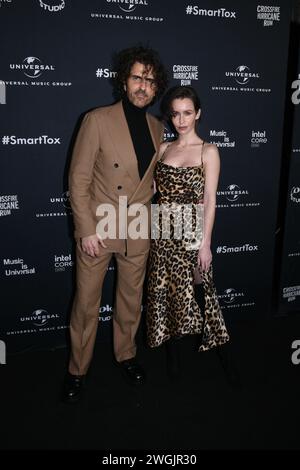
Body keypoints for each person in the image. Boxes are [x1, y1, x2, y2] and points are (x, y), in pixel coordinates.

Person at [63, 46, 168, 403]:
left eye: (150, 80)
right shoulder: (97, 120)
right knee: (86, 303)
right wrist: (85, 228)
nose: (143, 85)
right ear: (124, 81)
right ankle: (77, 369)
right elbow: (77, 179)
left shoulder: (157, 127)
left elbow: (150, 178)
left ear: (156, 88)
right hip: (101, 226)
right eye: (138, 77)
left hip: (137, 227)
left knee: (129, 300)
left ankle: (126, 355)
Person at [147, 86, 230, 378]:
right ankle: (172, 354)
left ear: (197, 114)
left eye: (187, 113)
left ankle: (222, 351)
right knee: (166, 290)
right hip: (162, 229)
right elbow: (152, 191)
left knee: (202, 290)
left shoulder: (209, 150)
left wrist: (206, 244)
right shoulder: (163, 149)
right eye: (174, 114)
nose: (180, 120)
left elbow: (210, 199)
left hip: (192, 229)